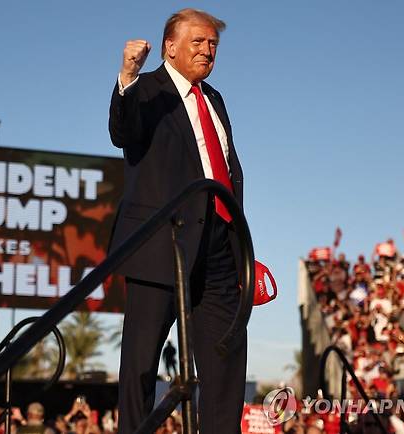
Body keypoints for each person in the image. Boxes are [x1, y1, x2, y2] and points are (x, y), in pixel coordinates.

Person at [108, 8, 247, 434]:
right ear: (170, 46)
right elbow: (123, 132)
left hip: (220, 249)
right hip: (160, 247)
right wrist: (127, 76)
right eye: (199, 42)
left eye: (213, 45)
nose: (208, 51)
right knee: (141, 366)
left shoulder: (215, 99)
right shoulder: (147, 89)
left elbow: (228, 171)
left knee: (225, 365)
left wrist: (242, 250)